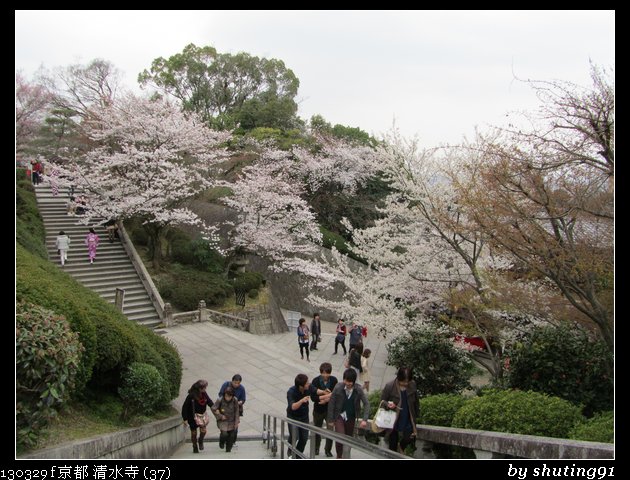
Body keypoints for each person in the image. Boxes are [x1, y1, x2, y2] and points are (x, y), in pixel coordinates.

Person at [327, 368, 369, 459]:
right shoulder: (338, 387)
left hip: (351, 417)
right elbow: (331, 403)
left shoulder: (358, 389)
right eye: (346, 380)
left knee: (349, 438)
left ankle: (346, 455)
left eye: (350, 381)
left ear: (354, 381)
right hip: (339, 416)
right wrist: (330, 419)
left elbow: (366, 403)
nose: (347, 383)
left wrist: (364, 419)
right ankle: (339, 455)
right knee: (340, 436)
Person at [380, 367, 419, 453]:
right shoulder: (390, 386)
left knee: (409, 437)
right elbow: (382, 401)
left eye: (407, 381)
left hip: (408, 415)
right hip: (394, 418)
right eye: (403, 381)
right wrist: (388, 405)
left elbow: (416, 400)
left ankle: (401, 446)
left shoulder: (412, 384)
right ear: (399, 377)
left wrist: (416, 413)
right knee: (392, 443)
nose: (405, 383)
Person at [310, 362, 338, 457]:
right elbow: (313, 397)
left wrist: (326, 400)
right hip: (318, 409)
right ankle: (316, 448)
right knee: (317, 429)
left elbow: (336, 395)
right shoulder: (315, 381)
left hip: (330, 409)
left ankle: (328, 450)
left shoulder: (334, 380)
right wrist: (325, 397)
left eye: (327, 373)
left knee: (330, 430)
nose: (325, 375)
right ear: (321, 372)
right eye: (323, 373)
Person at [181, 379, 213, 453]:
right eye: (204, 388)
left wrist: (215, 408)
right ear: (199, 388)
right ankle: (195, 446)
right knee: (194, 433)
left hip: (202, 416)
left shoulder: (204, 393)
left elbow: (209, 401)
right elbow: (185, 407)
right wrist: (185, 418)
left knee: (203, 431)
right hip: (192, 417)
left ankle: (200, 441)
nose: (205, 389)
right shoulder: (191, 395)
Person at [286, 373, 311, 458]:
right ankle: (290, 450)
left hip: (304, 416)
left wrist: (325, 393)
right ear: (301, 386)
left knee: (304, 438)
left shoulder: (308, 388)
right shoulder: (291, 392)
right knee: (294, 436)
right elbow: (292, 407)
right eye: (307, 383)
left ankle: (297, 456)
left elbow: (316, 391)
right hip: (293, 416)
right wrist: (302, 401)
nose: (309, 384)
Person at [211, 386, 240, 453]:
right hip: (223, 421)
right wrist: (220, 416)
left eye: (229, 396)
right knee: (224, 434)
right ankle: (221, 442)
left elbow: (237, 412)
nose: (228, 398)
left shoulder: (235, 400)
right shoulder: (220, 400)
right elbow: (213, 409)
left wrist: (236, 422)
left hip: (232, 420)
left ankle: (228, 449)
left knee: (232, 435)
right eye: (226, 396)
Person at [219, 374, 246, 445]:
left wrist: (240, 402)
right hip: (225, 409)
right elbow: (220, 394)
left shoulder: (242, 388)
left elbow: (243, 399)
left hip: (235, 409)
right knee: (225, 426)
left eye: (238, 383)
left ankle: (232, 442)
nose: (236, 384)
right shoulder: (226, 385)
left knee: (235, 426)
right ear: (232, 381)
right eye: (235, 382)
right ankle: (224, 440)